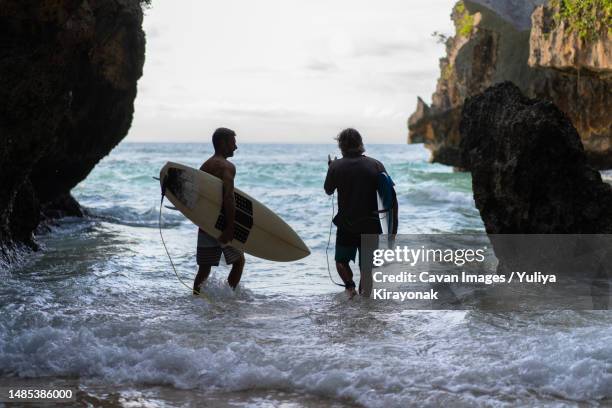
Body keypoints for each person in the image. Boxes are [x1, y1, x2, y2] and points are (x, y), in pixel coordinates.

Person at [324, 128, 398, 298]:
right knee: (367, 268)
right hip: (371, 224)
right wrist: (393, 230)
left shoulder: (336, 166)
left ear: (341, 145)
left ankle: (350, 289)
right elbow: (391, 198)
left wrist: (331, 169)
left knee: (341, 261)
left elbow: (328, 190)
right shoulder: (376, 164)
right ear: (360, 143)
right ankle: (366, 306)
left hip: (347, 224)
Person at [193, 127, 245, 295]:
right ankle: (228, 299)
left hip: (206, 223)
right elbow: (228, 198)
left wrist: (202, 221)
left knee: (204, 269)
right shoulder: (227, 167)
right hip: (223, 222)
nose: (235, 147)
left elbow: (200, 199)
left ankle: (196, 300)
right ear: (223, 143)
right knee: (239, 262)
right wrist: (230, 226)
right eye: (233, 143)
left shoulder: (205, 165)